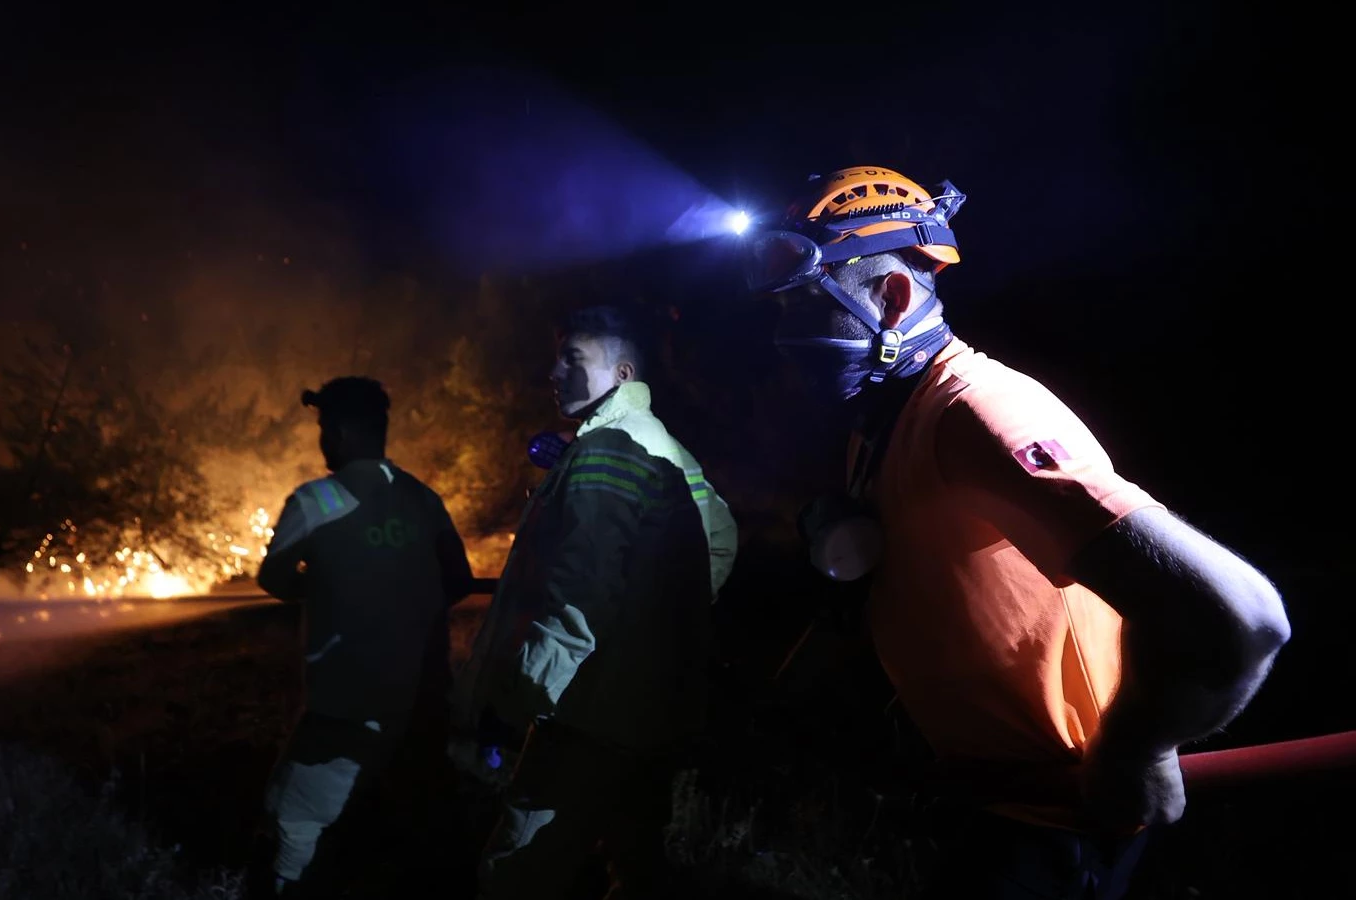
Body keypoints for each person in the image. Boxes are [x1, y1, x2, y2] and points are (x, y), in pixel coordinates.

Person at [740, 166, 1292, 898]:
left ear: (892, 295)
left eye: (801, 310)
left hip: (1059, 823)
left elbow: (1240, 621)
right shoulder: (884, 419)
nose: (783, 339)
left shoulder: (981, 415)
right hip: (988, 805)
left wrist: (1136, 752)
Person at [452, 304, 738, 899]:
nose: (554, 372)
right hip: (648, 705)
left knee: (516, 872)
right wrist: (663, 629)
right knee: (635, 863)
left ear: (622, 373)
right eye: (557, 357)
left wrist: (523, 696)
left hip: (588, 709)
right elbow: (721, 537)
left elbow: (578, 591)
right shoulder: (657, 442)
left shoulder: (609, 448)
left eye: (573, 359)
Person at [254, 376, 475, 898]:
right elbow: (460, 580)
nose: (322, 440)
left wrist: (333, 586)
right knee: (419, 826)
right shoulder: (422, 498)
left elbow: (275, 578)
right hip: (420, 699)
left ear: (347, 431)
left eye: (325, 427)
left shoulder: (315, 500)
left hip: (344, 704)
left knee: (293, 821)